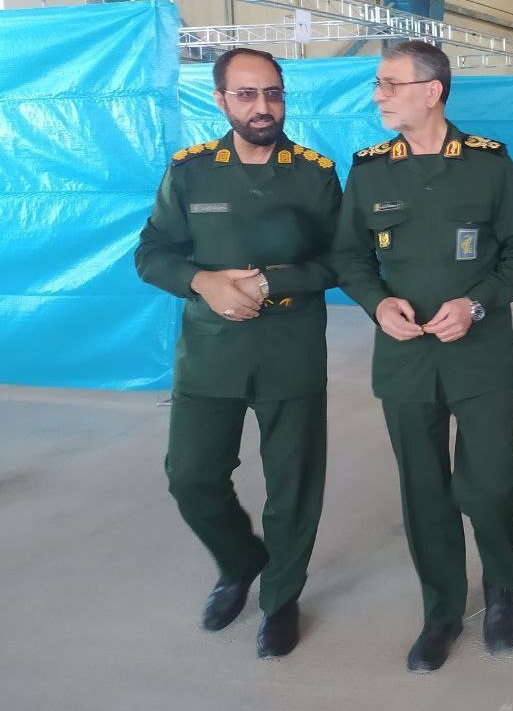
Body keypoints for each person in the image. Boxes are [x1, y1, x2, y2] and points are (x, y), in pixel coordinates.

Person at [330, 40, 513, 673]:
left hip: (479, 355)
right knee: (423, 489)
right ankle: (442, 610)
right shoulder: (370, 170)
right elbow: (349, 258)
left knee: (490, 481)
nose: (379, 95)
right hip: (405, 360)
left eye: (391, 84)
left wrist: (476, 304)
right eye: (378, 84)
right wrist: (377, 305)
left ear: (433, 92)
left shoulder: (487, 164)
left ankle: (499, 582)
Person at [135, 47, 341, 659]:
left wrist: (272, 282)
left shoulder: (314, 174)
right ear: (220, 100)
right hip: (211, 352)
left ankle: (280, 598)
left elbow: (341, 259)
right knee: (191, 476)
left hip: (289, 349)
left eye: (273, 93)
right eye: (247, 94)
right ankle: (240, 560)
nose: (263, 106)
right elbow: (152, 253)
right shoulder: (191, 172)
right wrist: (203, 281)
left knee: (293, 487)